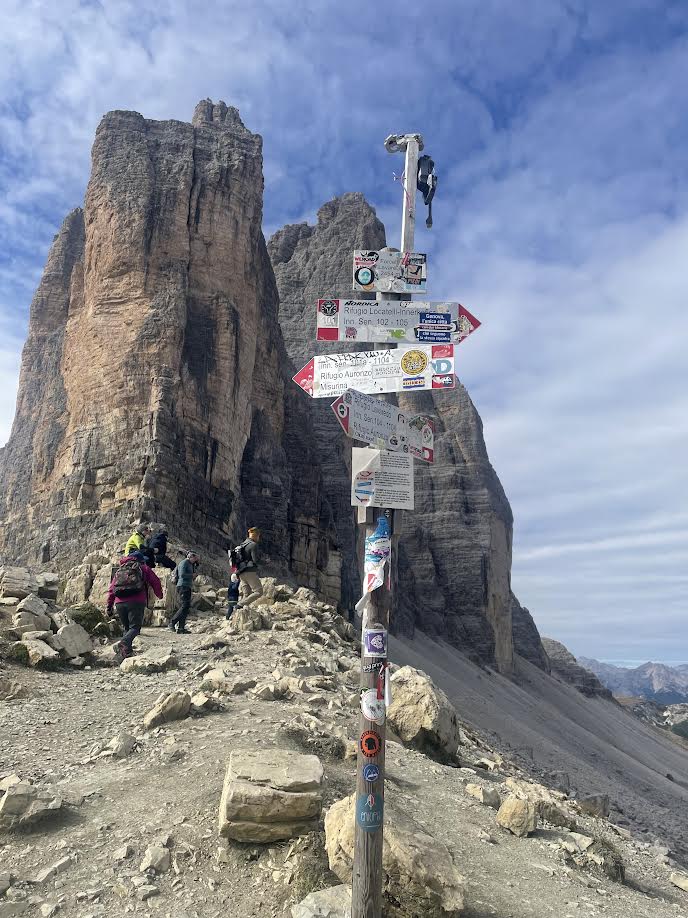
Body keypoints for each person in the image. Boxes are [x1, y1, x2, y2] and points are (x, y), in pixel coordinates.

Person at [106, 551, 162, 660]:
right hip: (136, 601)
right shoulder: (143, 568)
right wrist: (159, 594)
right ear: (140, 559)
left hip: (119, 603)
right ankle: (124, 643)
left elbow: (111, 589)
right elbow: (155, 581)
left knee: (127, 628)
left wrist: (109, 605)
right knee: (135, 628)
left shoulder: (120, 570)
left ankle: (126, 653)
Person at [168, 551, 200, 634]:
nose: (195, 560)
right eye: (195, 558)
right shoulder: (184, 563)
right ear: (190, 556)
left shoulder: (190, 564)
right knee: (185, 605)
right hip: (182, 586)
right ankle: (172, 622)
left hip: (187, 586)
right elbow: (182, 575)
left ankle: (181, 628)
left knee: (186, 607)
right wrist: (191, 575)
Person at [232, 527, 263, 607]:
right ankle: (239, 604)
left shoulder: (242, 544)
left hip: (241, 572)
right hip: (250, 572)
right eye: (258, 536)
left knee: (247, 594)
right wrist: (266, 562)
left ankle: (239, 614)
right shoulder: (253, 545)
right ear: (256, 535)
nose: (259, 538)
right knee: (258, 591)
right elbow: (256, 560)